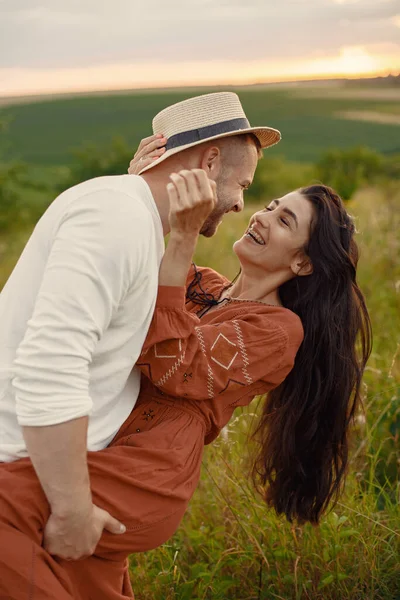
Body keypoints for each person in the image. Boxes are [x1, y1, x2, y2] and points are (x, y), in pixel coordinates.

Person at [0, 152, 371, 597]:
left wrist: (184, 236)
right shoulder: (202, 285)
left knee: (9, 499)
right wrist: (145, 184)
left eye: (285, 221)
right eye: (271, 205)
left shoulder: (277, 331)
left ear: (302, 264)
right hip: (106, 440)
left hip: (149, 471)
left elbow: (176, 368)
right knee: (77, 574)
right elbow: (128, 294)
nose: (263, 217)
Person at [0, 91, 279, 568]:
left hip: (39, 471)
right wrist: (71, 511)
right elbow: (50, 365)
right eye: (245, 186)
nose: (240, 205)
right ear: (210, 161)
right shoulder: (117, 217)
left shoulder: (133, 218)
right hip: (24, 478)